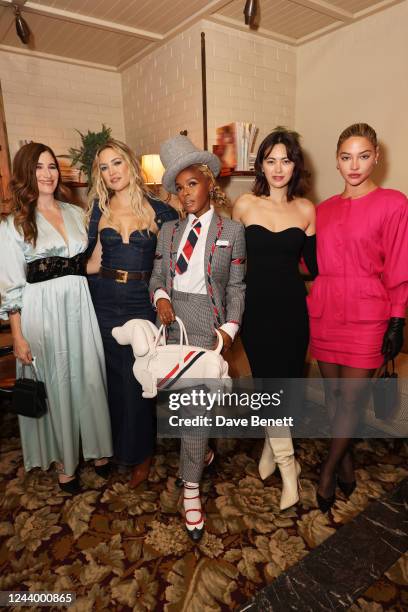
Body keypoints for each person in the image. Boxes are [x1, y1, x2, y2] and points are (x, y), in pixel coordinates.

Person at [0, 142, 112, 493]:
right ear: (26, 174)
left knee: (89, 375)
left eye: (51, 166)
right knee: (57, 383)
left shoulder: (76, 212)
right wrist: (17, 336)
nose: (47, 174)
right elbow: (10, 286)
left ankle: (97, 447)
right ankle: (66, 462)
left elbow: (88, 264)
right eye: (38, 168)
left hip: (79, 305)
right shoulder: (13, 223)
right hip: (41, 310)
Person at [149, 135, 246, 541]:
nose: (186, 193)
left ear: (209, 183)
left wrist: (226, 332)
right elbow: (157, 276)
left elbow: (237, 287)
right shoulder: (168, 232)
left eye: (193, 183)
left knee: (194, 409)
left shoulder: (233, 230)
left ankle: (191, 490)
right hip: (173, 325)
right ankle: (201, 451)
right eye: (179, 186)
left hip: (208, 326)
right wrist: (160, 297)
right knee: (180, 407)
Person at [307, 123, 408, 512]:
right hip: (325, 310)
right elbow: (306, 259)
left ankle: (329, 469)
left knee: (351, 401)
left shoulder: (394, 204)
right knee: (333, 396)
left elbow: (400, 266)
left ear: (376, 158)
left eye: (363, 156)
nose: (355, 165)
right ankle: (346, 460)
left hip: (368, 315)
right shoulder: (323, 210)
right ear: (336, 160)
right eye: (346, 157)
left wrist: (397, 320)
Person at [233, 127, 317, 510]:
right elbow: (232, 266)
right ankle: (289, 470)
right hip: (256, 311)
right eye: (271, 160)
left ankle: (271, 449)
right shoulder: (245, 205)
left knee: (285, 386)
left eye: (285, 159)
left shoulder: (306, 210)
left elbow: (317, 268)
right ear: (261, 166)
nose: (278, 168)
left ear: (295, 164)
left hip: (292, 311)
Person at [86, 139, 178, 487]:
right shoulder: (99, 210)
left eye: (117, 163)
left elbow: (170, 266)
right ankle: (120, 447)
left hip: (141, 300)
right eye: (104, 167)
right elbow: (93, 262)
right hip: (106, 298)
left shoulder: (160, 211)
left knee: (140, 377)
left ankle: (143, 453)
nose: (111, 172)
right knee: (114, 377)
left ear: (130, 164)